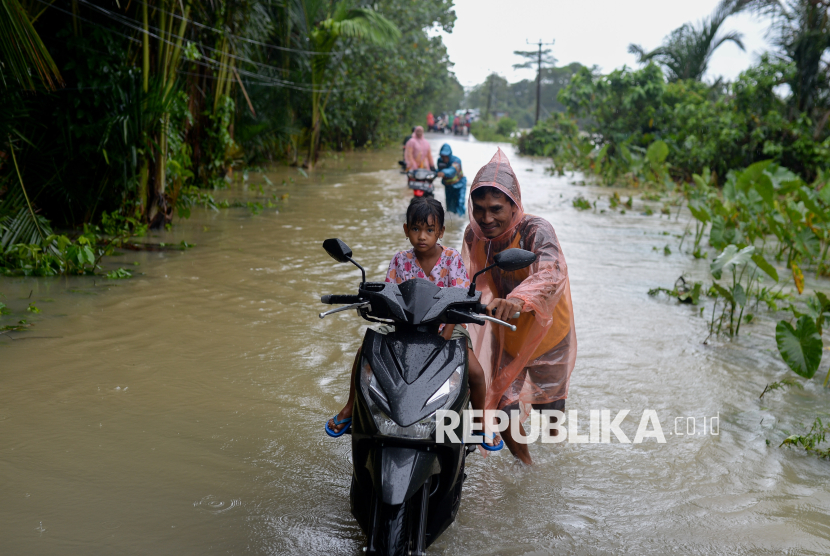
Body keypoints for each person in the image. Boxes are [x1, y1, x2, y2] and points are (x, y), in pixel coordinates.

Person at [326, 198, 502, 448]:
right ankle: (350, 407)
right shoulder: (400, 260)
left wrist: (445, 334)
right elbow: (389, 295)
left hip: (446, 328)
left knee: (475, 371)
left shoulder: (451, 258)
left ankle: (481, 420)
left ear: (440, 232)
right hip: (402, 327)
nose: (422, 236)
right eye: (416, 229)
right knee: (365, 352)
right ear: (406, 230)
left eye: (430, 230)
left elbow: (459, 300)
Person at [461, 148, 576, 465]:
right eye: (479, 209)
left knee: (549, 413)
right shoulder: (474, 236)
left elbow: (551, 273)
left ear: (514, 204)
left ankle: (554, 465)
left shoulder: (535, 230)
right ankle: (527, 468)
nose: (486, 219)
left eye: (496, 209)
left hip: (549, 336)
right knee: (501, 405)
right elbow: (467, 280)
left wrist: (517, 299)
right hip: (507, 333)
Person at [436, 143, 467, 217]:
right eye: (442, 156)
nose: (444, 158)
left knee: (460, 204)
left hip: (460, 186)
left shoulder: (456, 160)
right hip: (448, 187)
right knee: (450, 208)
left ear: (449, 155)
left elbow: (452, 170)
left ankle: (461, 221)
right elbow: (438, 170)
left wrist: (443, 172)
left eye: (446, 156)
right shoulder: (440, 161)